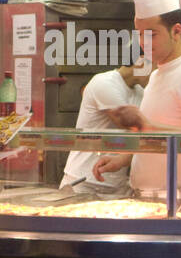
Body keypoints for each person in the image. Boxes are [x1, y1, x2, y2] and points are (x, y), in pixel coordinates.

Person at [94, 0, 181, 195]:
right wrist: (121, 159)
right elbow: (150, 138)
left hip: (177, 199)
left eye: (151, 34)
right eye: (140, 35)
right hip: (145, 196)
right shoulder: (157, 75)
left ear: (176, 31)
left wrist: (147, 125)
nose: (144, 43)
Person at [59, 57, 147, 192]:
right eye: (155, 66)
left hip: (117, 185)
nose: (157, 73)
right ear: (141, 62)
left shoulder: (141, 92)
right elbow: (132, 126)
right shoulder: (104, 83)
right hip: (84, 181)